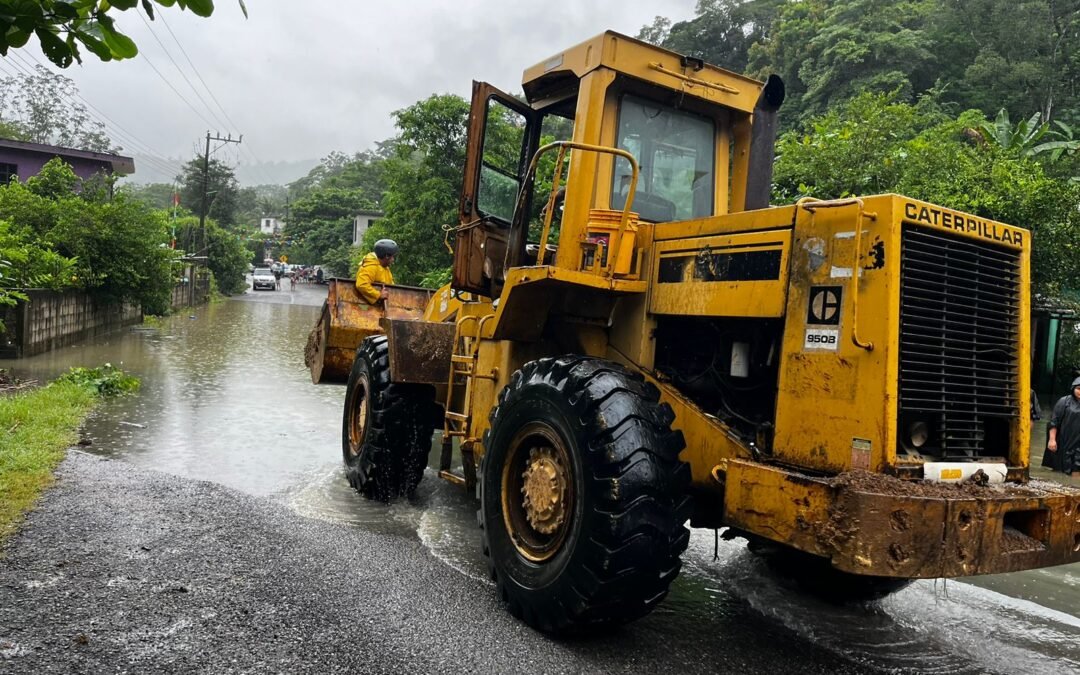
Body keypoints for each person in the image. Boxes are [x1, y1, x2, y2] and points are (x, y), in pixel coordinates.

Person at [1046, 377, 1080, 478]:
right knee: (1061, 471)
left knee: (1077, 472)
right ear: (1073, 388)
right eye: (1078, 388)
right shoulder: (1064, 401)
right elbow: (1054, 422)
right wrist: (1052, 440)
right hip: (1065, 442)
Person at [354, 239, 397, 304]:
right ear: (387, 256)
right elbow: (361, 284)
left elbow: (390, 285)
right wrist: (378, 295)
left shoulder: (384, 267)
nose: (393, 260)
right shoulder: (371, 267)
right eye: (392, 256)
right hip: (366, 308)